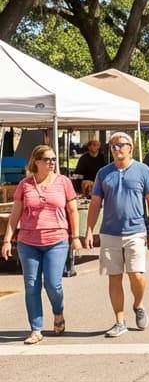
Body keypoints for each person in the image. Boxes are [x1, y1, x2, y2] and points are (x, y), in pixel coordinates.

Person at [1, 144, 80, 344]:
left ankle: (58, 313)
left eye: (54, 159)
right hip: (28, 241)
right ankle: (36, 329)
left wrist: (76, 237)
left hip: (56, 240)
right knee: (31, 286)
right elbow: (15, 214)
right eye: (48, 159)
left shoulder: (63, 182)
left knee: (53, 284)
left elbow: (73, 211)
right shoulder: (25, 185)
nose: (52, 162)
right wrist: (7, 240)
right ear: (36, 162)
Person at [85, 132, 149, 337]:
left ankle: (138, 304)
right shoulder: (104, 173)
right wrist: (90, 230)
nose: (116, 149)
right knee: (114, 278)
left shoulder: (142, 170)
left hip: (136, 231)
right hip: (109, 232)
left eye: (120, 145)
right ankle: (119, 321)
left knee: (136, 274)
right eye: (113, 146)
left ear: (130, 148)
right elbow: (95, 203)